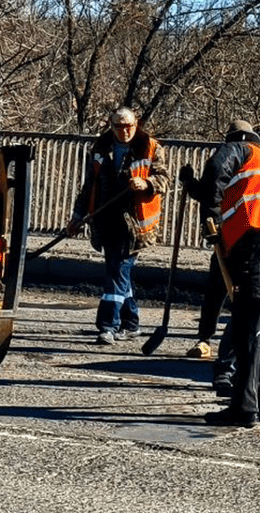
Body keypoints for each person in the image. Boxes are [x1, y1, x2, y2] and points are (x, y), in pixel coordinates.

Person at [180, 120, 260, 428]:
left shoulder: (237, 148)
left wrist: (209, 214)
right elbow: (223, 189)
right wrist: (193, 187)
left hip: (256, 240)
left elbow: (217, 174)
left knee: (247, 324)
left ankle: (242, 406)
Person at [68, 107, 171, 345]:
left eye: (129, 126)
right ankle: (132, 324)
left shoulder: (151, 147)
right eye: (119, 126)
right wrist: (77, 216)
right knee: (119, 273)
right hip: (105, 221)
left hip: (133, 226)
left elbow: (164, 180)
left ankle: (107, 325)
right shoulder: (100, 148)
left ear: (137, 124)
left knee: (117, 273)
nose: (125, 131)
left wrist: (146, 183)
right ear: (110, 126)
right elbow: (89, 185)